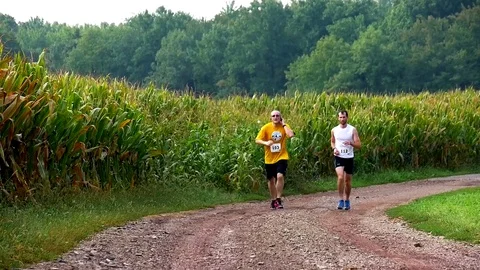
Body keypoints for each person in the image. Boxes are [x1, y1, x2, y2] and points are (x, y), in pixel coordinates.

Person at [255, 110, 295, 209]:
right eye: (273, 116)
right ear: (270, 118)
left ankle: (278, 198)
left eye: (277, 116)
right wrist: (266, 143)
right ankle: (273, 200)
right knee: (271, 180)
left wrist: (284, 124)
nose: (275, 117)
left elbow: (290, 135)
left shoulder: (285, 126)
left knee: (280, 176)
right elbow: (257, 140)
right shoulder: (266, 127)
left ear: (280, 117)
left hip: (282, 156)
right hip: (269, 158)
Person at [330, 110, 361, 210]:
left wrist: (351, 143)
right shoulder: (334, 130)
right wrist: (334, 149)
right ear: (338, 118)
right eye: (340, 117)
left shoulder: (352, 130)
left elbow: (359, 145)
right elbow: (332, 142)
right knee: (340, 177)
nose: (342, 119)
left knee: (347, 181)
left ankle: (347, 200)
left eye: (344, 117)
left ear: (347, 118)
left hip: (349, 157)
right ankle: (340, 200)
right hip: (339, 156)